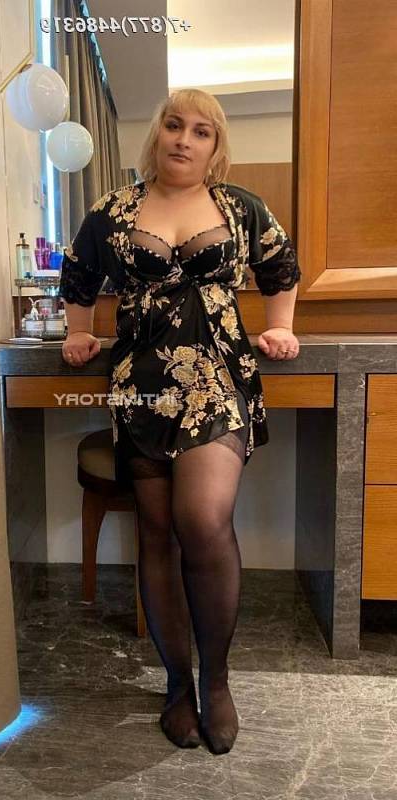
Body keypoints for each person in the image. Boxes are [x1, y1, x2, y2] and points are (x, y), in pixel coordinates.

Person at [58, 88, 302, 755]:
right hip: (141, 382)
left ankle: (215, 682)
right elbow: (77, 274)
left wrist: (280, 326)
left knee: (202, 519)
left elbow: (280, 266)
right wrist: (78, 332)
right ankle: (176, 686)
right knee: (158, 530)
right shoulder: (113, 210)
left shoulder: (239, 207)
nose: (183, 140)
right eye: (174, 125)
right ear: (157, 133)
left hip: (217, 377)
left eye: (200, 131)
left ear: (214, 145)